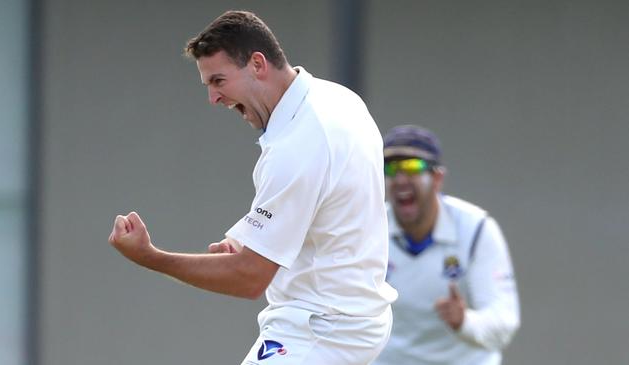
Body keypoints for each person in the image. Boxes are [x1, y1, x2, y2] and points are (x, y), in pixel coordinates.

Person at [108, 10, 397, 365]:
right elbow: (325, 208)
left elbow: (249, 279)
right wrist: (252, 243)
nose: (213, 98)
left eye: (219, 80)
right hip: (348, 319)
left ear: (257, 64)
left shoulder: (299, 142)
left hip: (321, 328)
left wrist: (151, 257)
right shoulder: (336, 100)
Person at [373, 125, 520, 365]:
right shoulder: (372, 229)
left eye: (412, 167)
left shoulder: (476, 229)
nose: (400, 179)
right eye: (391, 169)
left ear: (438, 178)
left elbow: (504, 320)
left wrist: (465, 322)